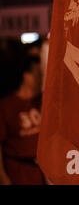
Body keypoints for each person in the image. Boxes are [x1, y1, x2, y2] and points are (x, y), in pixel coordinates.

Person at [0, 54, 46, 185]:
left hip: (43, 175)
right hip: (20, 175)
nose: (42, 78)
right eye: (39, 74)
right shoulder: (6, 106)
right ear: (27, 76)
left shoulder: (43, 102)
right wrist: (4, 178)